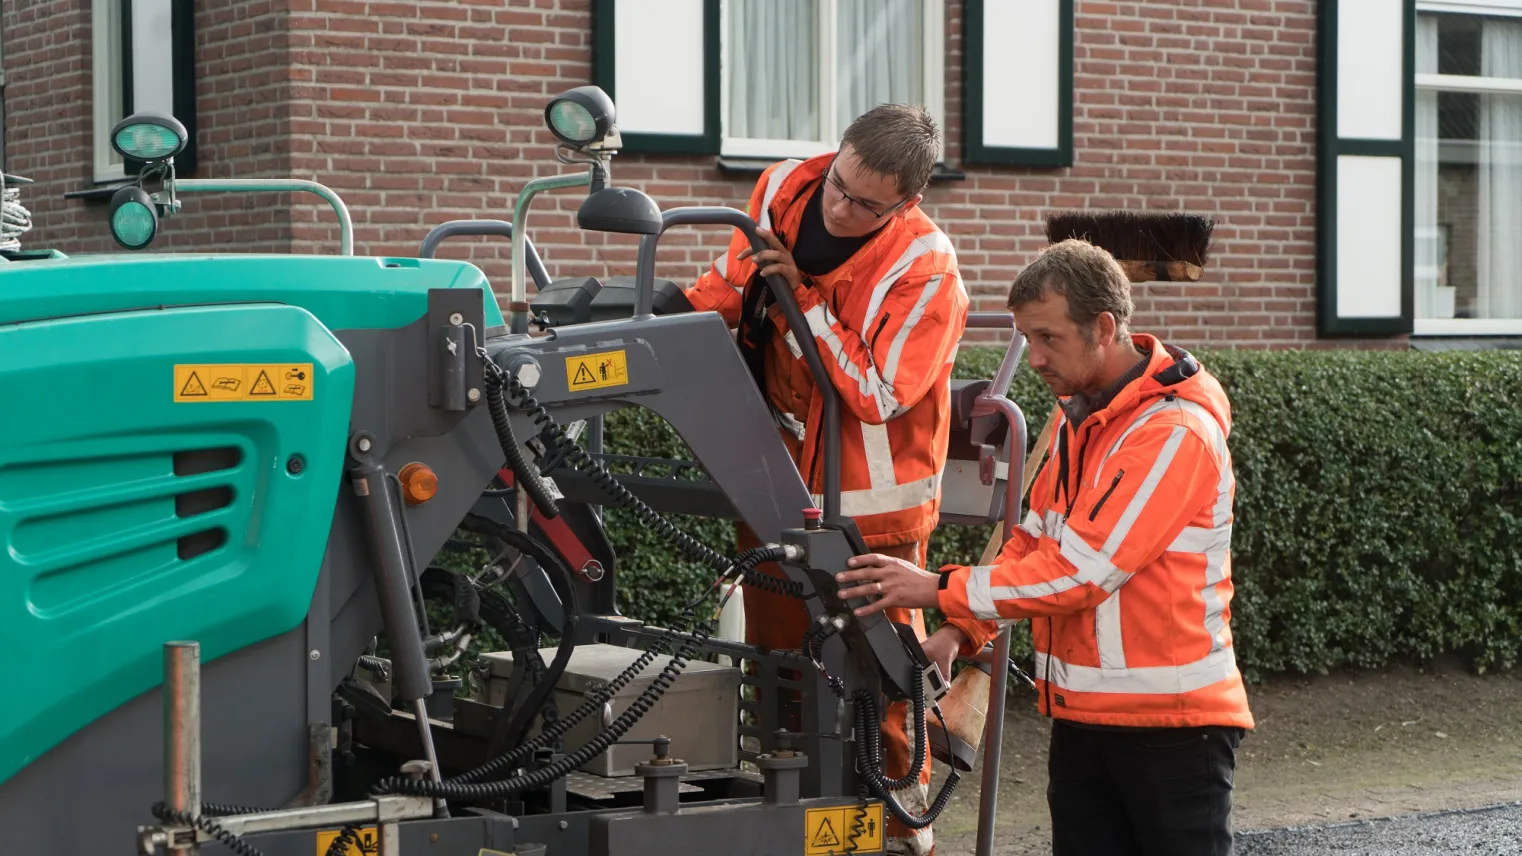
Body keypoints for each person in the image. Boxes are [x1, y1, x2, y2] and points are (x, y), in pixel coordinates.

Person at [834, 238, 1255, 856]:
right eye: (1026, 337)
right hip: (1086, 718)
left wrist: (934, 587)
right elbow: (1030, 544)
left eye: (1047, 338)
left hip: (1172, 727)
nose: (1032, 358)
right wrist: (959, 631)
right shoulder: (1077, 420)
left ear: (1104, 328)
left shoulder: (1172, 433)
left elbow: (1082, 574)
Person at [682, 104, 999, 856]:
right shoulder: (786, 187)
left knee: (876, 682)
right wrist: (674, 323)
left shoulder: (927, 270)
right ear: (834, 157)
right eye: (838, 184)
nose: (839, 207)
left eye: (865, 204)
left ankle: (897, 831)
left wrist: (805, 301)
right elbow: (736, 283)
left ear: (908, 202)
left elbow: (873, 390)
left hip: (871, 511)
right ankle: (799, 819)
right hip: (774, 478)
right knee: (783, 665)